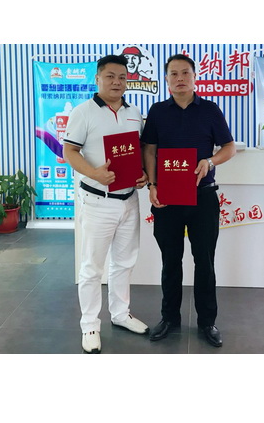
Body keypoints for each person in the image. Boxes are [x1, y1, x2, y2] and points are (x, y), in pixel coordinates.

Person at [141, 54, 236, 348]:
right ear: (166, 79)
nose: (180, 78)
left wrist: (210, 160)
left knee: (204, 261)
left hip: (203, 196)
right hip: (167, 199)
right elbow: (149, 150)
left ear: (195, 77)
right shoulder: (158, 111)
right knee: (170, 261)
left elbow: (229, 147)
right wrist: (152, 184)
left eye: (185, 73)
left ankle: (208, 321)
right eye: (173, 73)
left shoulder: (210, 110)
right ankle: (170, 318)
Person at [63, 54, 149, 354]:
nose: (117, 82)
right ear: (97, 78)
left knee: (124, 262)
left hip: (129, 199)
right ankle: (89, 325)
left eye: (122, 77)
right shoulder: (83, 112)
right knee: (92, 267)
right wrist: (94, 173)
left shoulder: (134, 112)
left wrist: (142, 174)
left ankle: (121, 314)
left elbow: (139, 150)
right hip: (98, 200)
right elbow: (70, 151)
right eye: (110, 76)